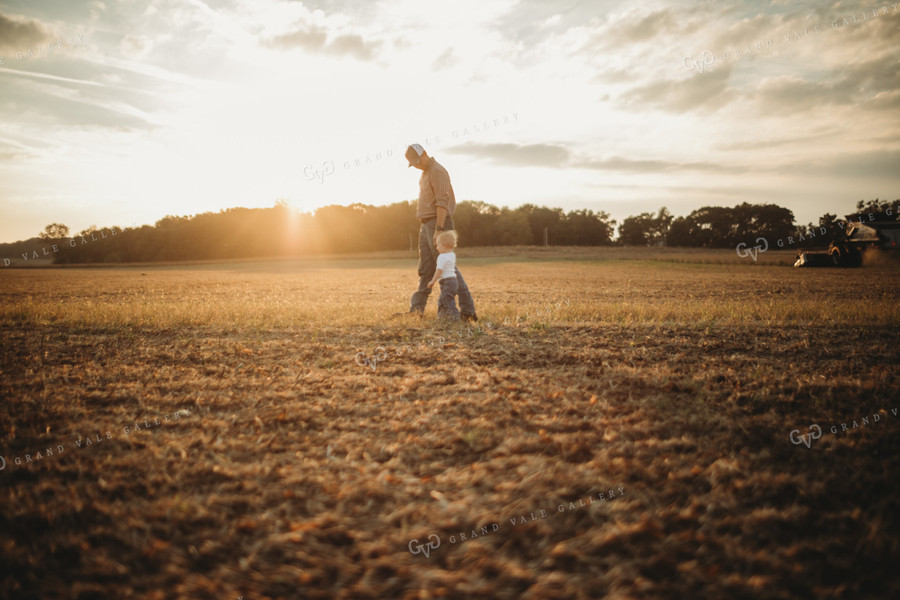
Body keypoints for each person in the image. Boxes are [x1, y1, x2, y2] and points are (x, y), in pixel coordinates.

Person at [403, 143, 477, 321]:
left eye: (417, 161)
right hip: (426, 223)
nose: (416, 165)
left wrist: (439, 229)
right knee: (426, 268)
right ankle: (417, 309)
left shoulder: (437, 171)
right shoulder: (425, 172)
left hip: (437, 223)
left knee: (448, 268)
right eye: (413, 164)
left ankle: (467, 310)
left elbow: (442, 202)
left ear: (425, 154)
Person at [426, 230, 461, 320]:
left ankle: (455, 317)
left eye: (438, 245)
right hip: (454, 282)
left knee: (447, 301)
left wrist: (432, 281)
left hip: (447, 282)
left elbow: (439, 270)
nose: (437, 248)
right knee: (442, 301)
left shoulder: (442, 257)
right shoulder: (452, 255)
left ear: (444, 245)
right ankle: (441, 318)